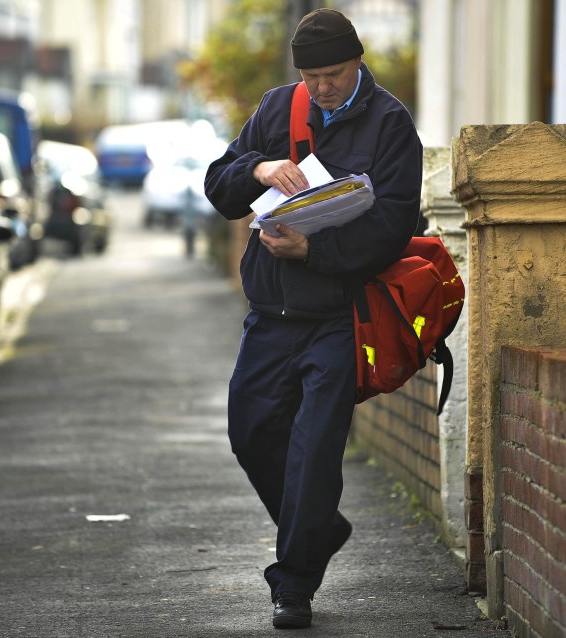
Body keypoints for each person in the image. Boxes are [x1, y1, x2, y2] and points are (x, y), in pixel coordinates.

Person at [204, 7, 423, 630]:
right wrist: (257, 168)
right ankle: (319, 529)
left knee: (315, 448)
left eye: (331, 73)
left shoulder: (390, 124)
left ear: (357, 62)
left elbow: (394, 224)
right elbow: (219, 187)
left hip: (340, 315)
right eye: (311, 75)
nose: (320, 86)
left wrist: (315, 250)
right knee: (249, 431)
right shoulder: (278, 107)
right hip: (270, 312)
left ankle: (293, 583)